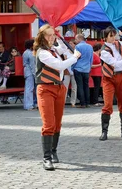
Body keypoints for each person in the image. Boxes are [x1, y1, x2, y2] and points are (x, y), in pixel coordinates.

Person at [34, 24, 81, 171]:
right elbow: (60, 65)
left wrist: (59, 37)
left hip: (59, 87)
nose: (51, 37)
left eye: (52, 34)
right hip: (46, 88)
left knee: (57, 123)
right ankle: (46, 158)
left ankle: (53, 151)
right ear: (42, 37)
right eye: (48, 35)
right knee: (49, 124)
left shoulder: (53, 49)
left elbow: (64, 49)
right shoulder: (42, 52)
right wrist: (75, 58)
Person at [99, 27, 122, 140]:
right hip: (109, 77)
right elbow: (114, 64)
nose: (113, 38)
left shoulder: (118, 44)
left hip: (121, 76)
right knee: (108, 104)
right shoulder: (104, 51)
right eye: (110, 36)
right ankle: (104, 131)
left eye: (114, 35)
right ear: (105, 37)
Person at [73, 34, 94, 108]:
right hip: (86, 69)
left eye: (76, 39)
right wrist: (89, 67)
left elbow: (75, 58)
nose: (75, 41)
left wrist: (73, 67)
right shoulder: (90, 47)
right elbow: (91, 59)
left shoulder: (77, 47)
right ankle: (88, 103)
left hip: (78, 68)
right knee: (86, 86)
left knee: (80, 86)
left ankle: (83, 103)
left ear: (79, 39)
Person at [23, 39, 36, 111]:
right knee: (30, 89)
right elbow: (32, 65)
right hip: (30, 72)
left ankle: (27, 104)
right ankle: (29, 105)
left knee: (28, 89)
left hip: (27, 71)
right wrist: (35, 74)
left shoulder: (25, 52)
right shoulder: (30, 53)